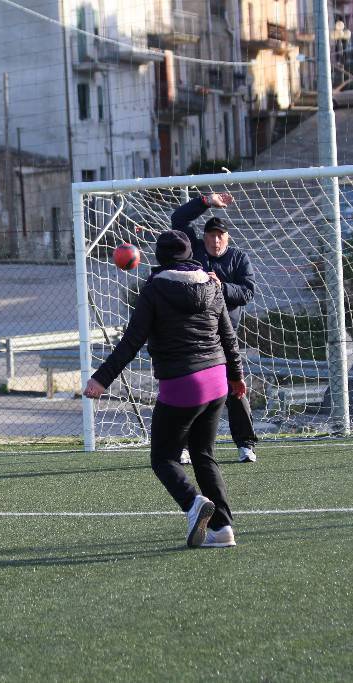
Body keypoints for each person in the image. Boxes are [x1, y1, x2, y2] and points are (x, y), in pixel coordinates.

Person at [83, 229, 245, 548]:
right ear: (189, 255)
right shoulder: (213, 284)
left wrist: (101, 378)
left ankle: (193, 503)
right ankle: (223, 529)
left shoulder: (155, 288)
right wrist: (237, 375)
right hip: (217, 382)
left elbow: (131, 341)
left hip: (183, 384)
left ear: (159, 257)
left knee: (163, 458)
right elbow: (229, 336)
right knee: (204, 454)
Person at [171, 192, 259, 463]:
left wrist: (221, 286)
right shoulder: (194, 252)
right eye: (211, 235)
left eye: (221, 235)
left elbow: (247, 292)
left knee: (236, 387)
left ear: (227, 238)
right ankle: (183, 447)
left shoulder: (238, 258)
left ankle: (245, 445)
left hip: (225, 338)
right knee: (191, 390)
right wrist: (206, 202)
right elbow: (178, 218)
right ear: (204, 237)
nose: (216, 240)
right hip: (195, 338)